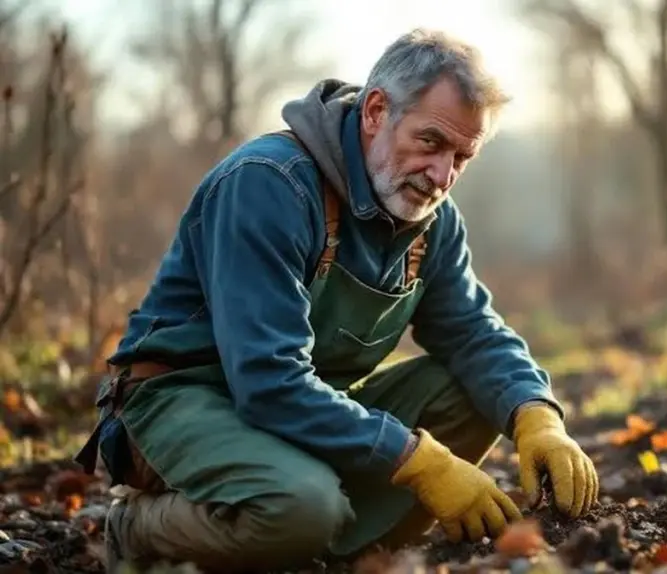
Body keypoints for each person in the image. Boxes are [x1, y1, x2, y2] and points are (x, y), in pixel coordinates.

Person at [74, 28, 599, 573]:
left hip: (294, 409)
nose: (442, 176)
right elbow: (268, 380)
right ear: (376, 111)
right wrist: (421, 463)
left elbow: (472, 331)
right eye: (431, 143)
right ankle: (138, 531)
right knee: (302, 508)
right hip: (183, 396)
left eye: (462, 157)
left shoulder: (432, 222)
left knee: (476, 395)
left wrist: (536, 415)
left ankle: (316, 547)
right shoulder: (269, 184)